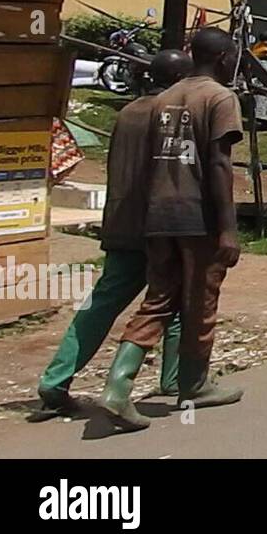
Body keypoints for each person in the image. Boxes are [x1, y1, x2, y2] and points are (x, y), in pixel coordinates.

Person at [97, 28, 245, 431]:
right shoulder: (219, 98)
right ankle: (194, 384)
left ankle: (117, 387)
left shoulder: (163, 98)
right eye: (233, 55)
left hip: (159, 216)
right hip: (198, 217)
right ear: (223, 57)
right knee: (201, 302)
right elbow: (218, 164)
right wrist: (228, 228)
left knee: (158, 301)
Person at [37, 50, 193, 415]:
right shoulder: (169, 115)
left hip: (121, 223)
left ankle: (55, 379)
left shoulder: (129, 112)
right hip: (158, 225)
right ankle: (173, 378)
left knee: (100, 305)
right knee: (175, 298)